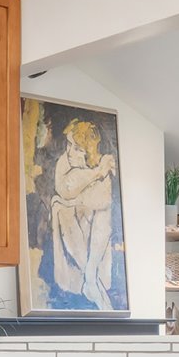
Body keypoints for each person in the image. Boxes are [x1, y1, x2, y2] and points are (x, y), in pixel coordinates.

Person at [49, 118, 119, 308]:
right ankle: (91, 280)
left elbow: (103, 200)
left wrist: (84, 195)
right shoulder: (65, 161)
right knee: (63, 208)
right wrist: (96, 174)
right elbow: (65, 189)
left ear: (88, 152)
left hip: (92, 224)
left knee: (103, 212)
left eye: (78, 149)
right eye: (69, 144)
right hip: (70, 221)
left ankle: (90, 275)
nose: (70, 151)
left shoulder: (98, 162)